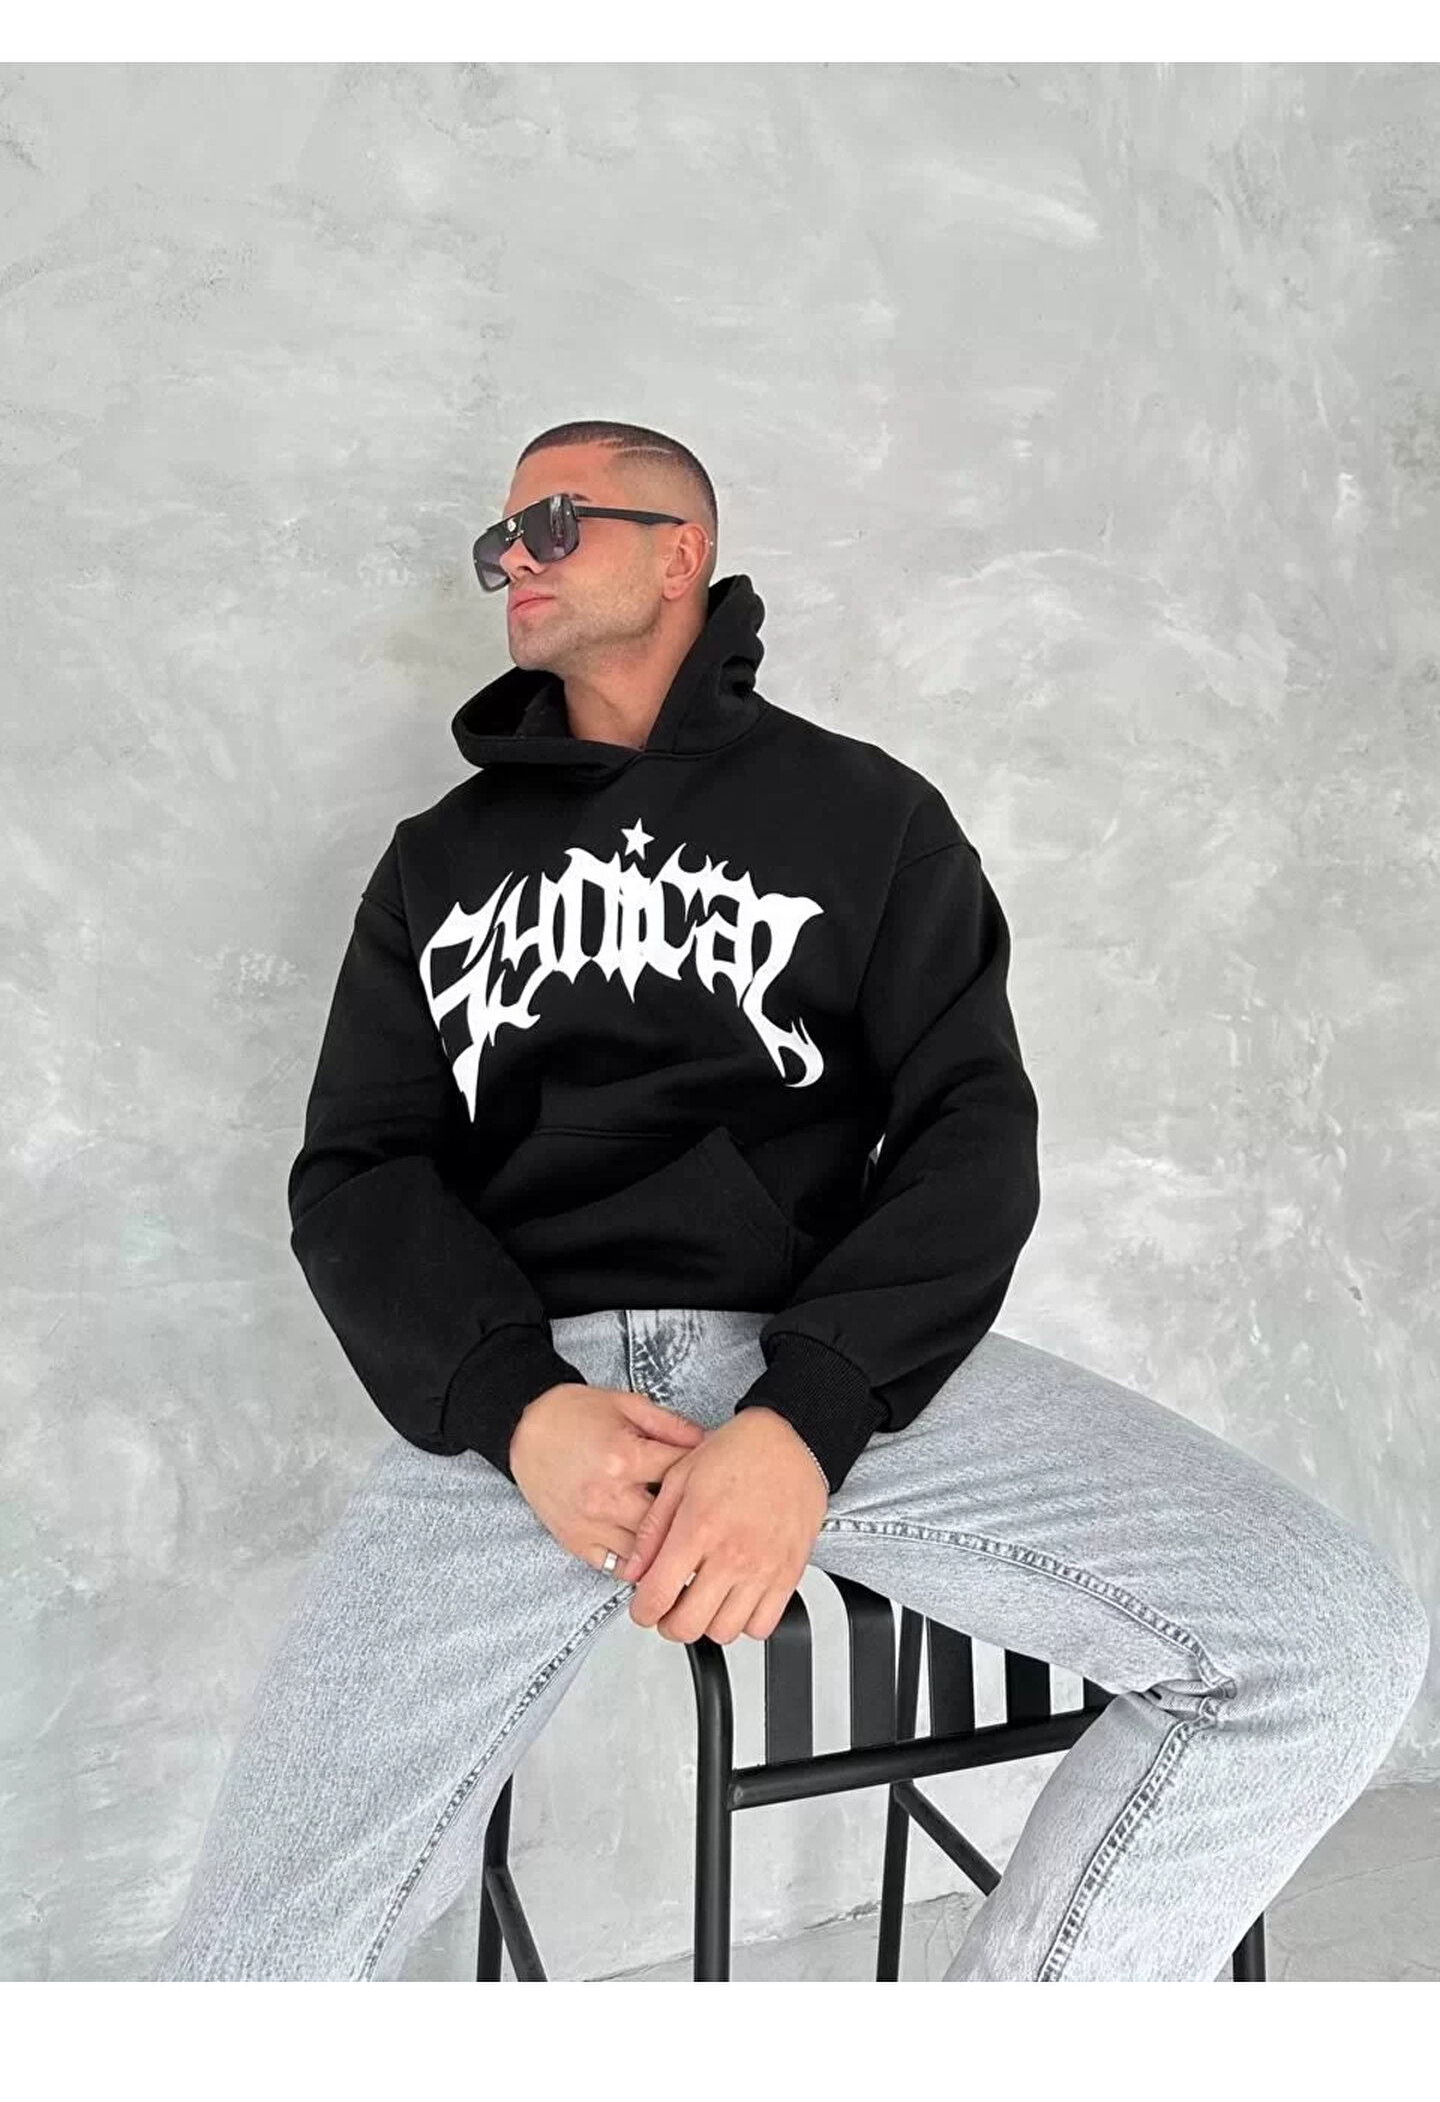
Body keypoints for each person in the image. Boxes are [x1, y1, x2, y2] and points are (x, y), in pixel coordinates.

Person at [151, 419, 1429, 1983]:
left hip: (815, 1362)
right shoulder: (436, 863)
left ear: (680, 553)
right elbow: (358, 1172)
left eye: (553, 524)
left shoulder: (868, 817)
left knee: (1329, 1638)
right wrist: (514, 1407)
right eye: (498, 542)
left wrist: (808, 1417)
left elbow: (972, 1129)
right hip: (532, 1405)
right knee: (245, 1962)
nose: (511, 563)